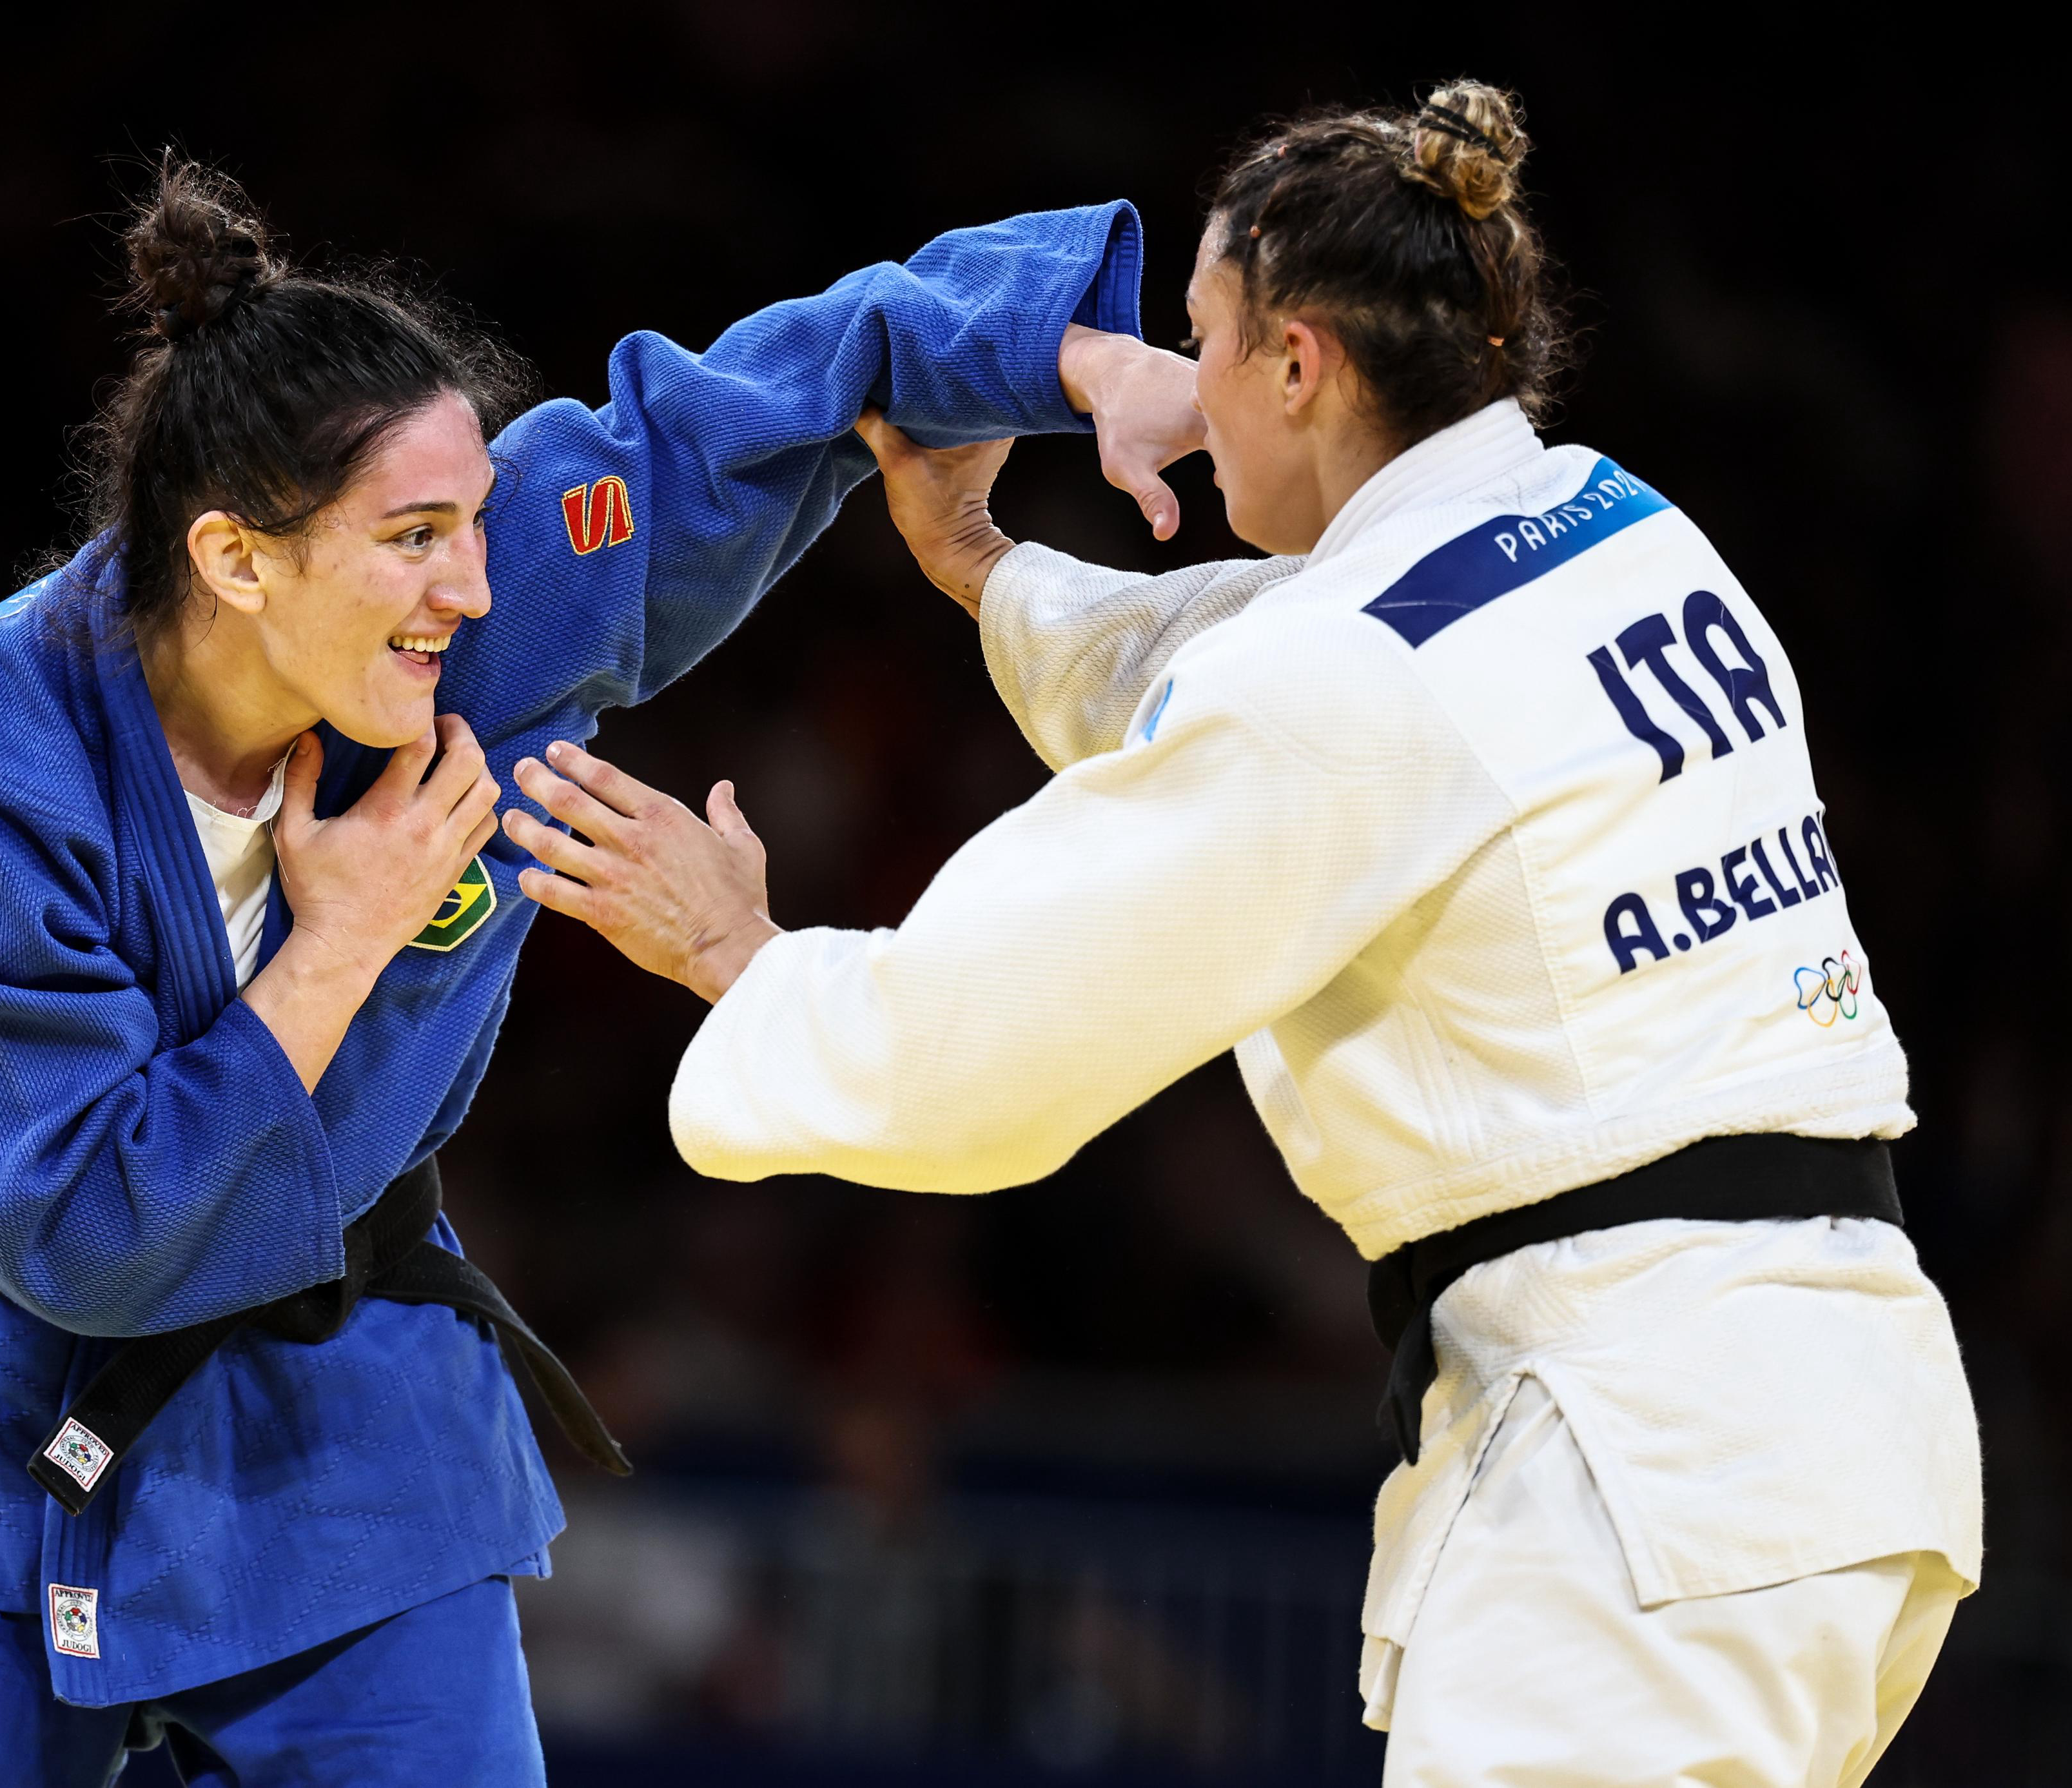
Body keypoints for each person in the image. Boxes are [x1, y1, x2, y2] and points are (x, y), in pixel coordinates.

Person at [505, 83, 1981, 1786]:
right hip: (1839, 1435)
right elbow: (1244, 678)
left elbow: (1004, 1031)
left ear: (1300, 365)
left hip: (1638, 1469)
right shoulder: (1609, 523)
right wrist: (983, 563)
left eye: (1202, 343)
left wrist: (743, 961)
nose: (1179, 397)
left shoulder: (1354, 678)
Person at [0, 153, 1194, 1787]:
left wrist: (1075, 360)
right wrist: (344, 937)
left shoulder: (481, 618)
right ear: (236, 559)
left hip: (346, 1400)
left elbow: (768, 391)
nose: (478, 584)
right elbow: (95, 1233)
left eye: (474, 523)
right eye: (416, 537)